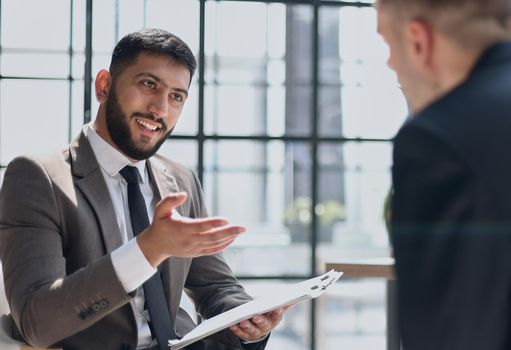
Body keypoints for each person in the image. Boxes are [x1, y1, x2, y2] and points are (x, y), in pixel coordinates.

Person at [0, 28, 286, 350]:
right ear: (104, 85)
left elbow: (216, 285)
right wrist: (147, 250)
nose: (160, 109)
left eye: (177, 96)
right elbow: (36, 321)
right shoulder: (38, 177)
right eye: (149, 84)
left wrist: (248, 318)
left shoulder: (181, 180)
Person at [376, 0, 511, 349]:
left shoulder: (438, 138)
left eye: (388, 44)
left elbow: (448, 330)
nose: (390, 63)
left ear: (419, 41)